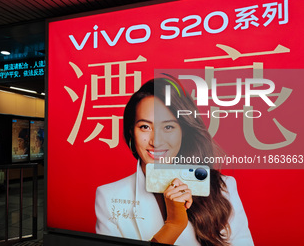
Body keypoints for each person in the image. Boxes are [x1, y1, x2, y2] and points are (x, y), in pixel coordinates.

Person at [95, 78, 254, 245]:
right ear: (131, 132)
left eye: (168, 127)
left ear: (183, 131)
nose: (155, 141)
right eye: (145, 127)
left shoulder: (222, 187)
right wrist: (173, 226)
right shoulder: (110, 196)